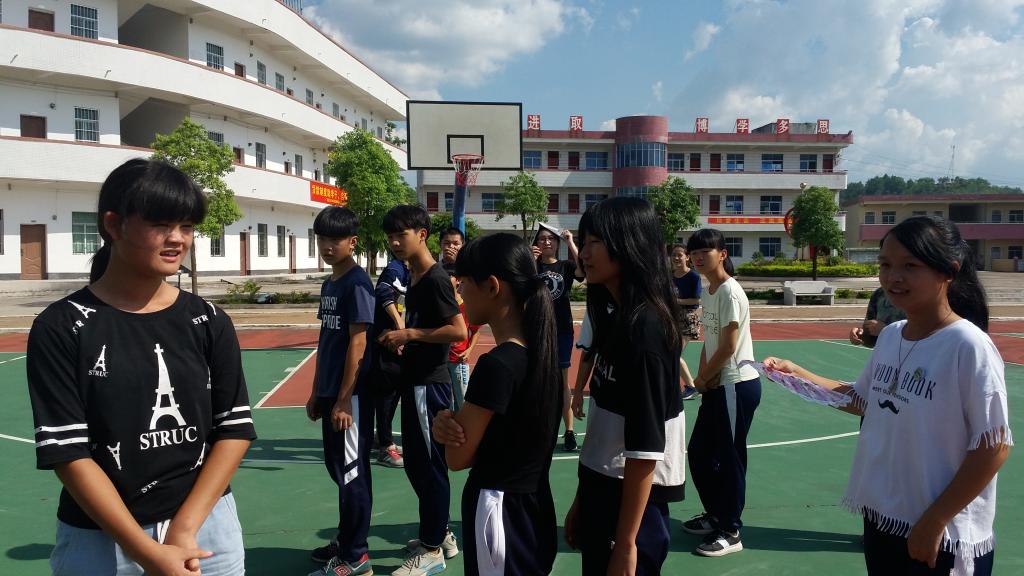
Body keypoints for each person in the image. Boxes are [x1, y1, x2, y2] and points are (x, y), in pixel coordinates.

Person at [27, 158, 256, 575]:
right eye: (160, 224)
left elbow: (234, 429)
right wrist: (146, 552)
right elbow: (69, 452)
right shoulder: (62, 327)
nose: (177, 239)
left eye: (186, 226)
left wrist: (185, 529)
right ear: (113, 225)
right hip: (103, 539)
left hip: (207, 532)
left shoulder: (208, 320)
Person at [763, 216, 1011, 575]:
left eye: (910, 266)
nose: (894, 277)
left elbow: (993, 446)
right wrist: (796, 373)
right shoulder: (892, 335)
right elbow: (862, 399)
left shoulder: (968, 345)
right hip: (885, 518)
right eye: (885, 265)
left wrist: (935, 520)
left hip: (942, 534)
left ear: (949, 271)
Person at [563, 197, 686, 575]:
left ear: (629, 245)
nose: (584, 253)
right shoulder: (614, 314)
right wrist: (583, 499)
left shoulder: (646, 329)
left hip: (632, 505)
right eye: (583, 242)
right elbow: (605, 428)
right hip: (603, 486)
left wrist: (627, 543)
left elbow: (645, 447)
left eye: (594, 242)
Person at [431, 233, 562, 575]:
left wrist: (446, 425)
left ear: (492, 286)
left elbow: (457, 458)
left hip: (499, 510)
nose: (459, 293)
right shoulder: (543, 356)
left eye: (464, 283)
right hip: (534, 506)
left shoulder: (497, 365)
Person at [379, 205, 468, 575]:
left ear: (422, 234)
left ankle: (432, 549)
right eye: (391, 237)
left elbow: (459, 330)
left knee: (428, 467)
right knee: (418, 465)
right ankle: (440, 534)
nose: (395, 242)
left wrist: (409, 334)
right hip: (415, 382)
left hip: (429, 387)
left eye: (402, 235)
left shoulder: (434, 278)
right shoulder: (414, 276)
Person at [682, 228, 762, 557]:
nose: (698, 257)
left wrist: (703, 379)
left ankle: (730, 530)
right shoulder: (709, 290)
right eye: (694, 253)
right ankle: (716, 514)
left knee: (730, 459)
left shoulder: (729, 291)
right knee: (700, 453)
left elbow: (729, 346)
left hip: (735, 385)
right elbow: (710, 342)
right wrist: (702, 378)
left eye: (705, 252)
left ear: (722, 254)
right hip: (718, 384)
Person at [305, 206, 376, 576]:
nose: (327, 246)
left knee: (351, 473)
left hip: (353, 397)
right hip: (332, 392)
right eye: (322, 239)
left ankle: (356, 556)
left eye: (335, 239)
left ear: (353, 242)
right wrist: (318, 390)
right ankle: (347, 537)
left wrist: (346, 398)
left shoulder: (357, 284)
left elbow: (358, 343)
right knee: (339, 469)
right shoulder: (330, 284)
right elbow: (326, 339)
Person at [531, 222, 585, 452]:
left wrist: (571, 241)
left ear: (557, 243)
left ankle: (569, 431)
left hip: (561, 329)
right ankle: (540, 430)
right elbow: (520, 285)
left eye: (551, 239)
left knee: (563, 382)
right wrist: (529, 259)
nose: (546, 242)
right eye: (542, 239)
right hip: (537, 329)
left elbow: (583, 271)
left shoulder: (565, 266)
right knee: (539, 379)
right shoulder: (532, 265)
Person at [369, 256, 410, 469]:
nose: (395, 242)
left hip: (396, 344)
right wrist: (399, 326)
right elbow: (383, 292)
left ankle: (382, 438)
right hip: (386, 344)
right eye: (393, 239)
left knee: (393, 394)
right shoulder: (395, 269)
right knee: (386, 395)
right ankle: (385, 446)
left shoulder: (413, 270)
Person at [670, 244, 702, 400]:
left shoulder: (693, 277)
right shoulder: (670, 276)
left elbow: (696, 300)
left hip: (688, 318)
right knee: (668, 352)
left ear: (687, 257)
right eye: (674, 255)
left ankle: (691, 387)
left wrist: (676, 301)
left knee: (673, 354)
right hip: (672, 318)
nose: (676, 258)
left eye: (680, 255)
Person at [447, 270, 481, 411]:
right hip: (443, 361)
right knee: (448, 403)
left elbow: (476, 331)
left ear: (457, 281)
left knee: (462, 402)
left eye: (450, 276)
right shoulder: (444, 304)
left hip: (458, 360)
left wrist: (469, 350)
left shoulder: (465, 306)